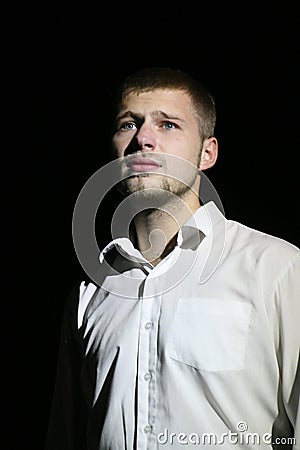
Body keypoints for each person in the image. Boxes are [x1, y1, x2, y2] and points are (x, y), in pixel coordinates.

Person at [45, 67, 300, 449]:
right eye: (128, 124)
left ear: (207, 152)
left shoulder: (277, 268)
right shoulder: (90, 292)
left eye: (168, 125)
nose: (143, 139)